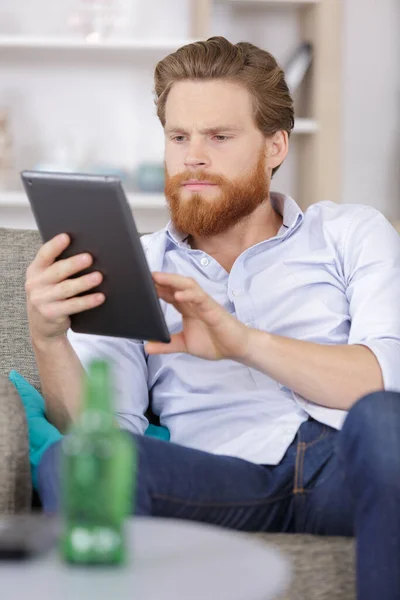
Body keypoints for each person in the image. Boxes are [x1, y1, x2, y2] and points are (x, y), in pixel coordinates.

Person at [26, 37, 400, 599]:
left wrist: (242, 342)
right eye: (179, 137)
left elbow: (383, 377)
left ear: (275, 147)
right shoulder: (137, 265)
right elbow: (104, 435)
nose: (192, 157)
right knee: (70, 461)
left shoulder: (350, 233)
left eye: (219, 137)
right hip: (219, 477)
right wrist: (48, 337)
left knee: (388, 422)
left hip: (343, 464)